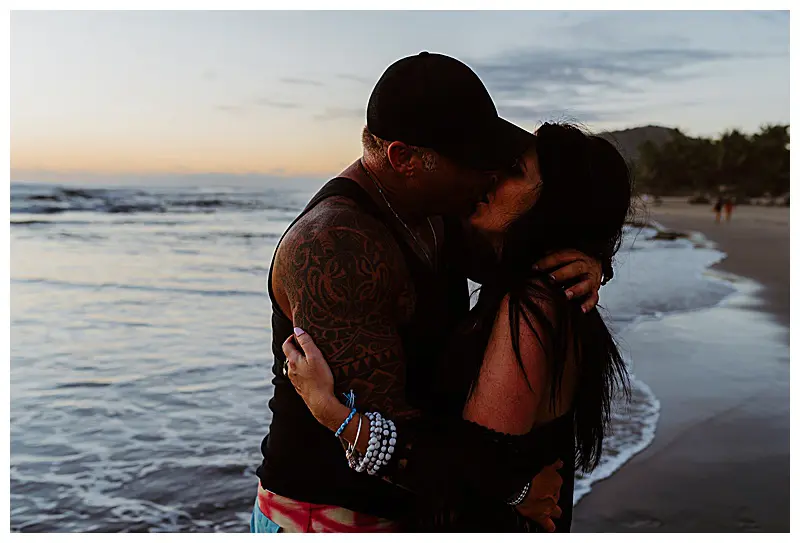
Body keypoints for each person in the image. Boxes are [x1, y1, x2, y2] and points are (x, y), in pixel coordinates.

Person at [252, 52, 605, 533]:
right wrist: (514, 489)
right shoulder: (336, 246)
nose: (490, 173)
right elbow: (386, 435)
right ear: (404, 158)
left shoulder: (440, 210)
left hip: (422, 506)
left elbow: (527, 256)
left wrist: (587, 263)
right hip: (331, 513)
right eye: (473, 160)